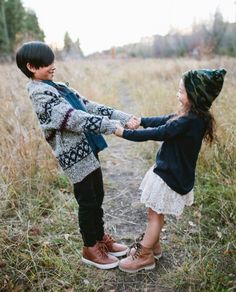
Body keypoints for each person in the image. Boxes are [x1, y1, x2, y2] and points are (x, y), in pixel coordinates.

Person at [16, 41, 139, 270]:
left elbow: (88, 106)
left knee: (98, 195)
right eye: (46, 63)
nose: (53, 66)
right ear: (31, 67)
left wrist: (123, 117)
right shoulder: (40, 93)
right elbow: (74, 118)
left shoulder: (59, 86)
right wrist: (114, 127)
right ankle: (90, 248)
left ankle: (101, 238)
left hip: (88, 148)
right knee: (87, 201)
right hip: (73, 155)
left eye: (52, 61)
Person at [115, 68, 227, 273]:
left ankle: (145, 255)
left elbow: (160, 132)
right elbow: (163, 120)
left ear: (195, 96)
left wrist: (125, 133)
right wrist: (141, 121)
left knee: (154, 216)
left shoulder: (188, 121)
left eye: (181, 91)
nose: (178, 94)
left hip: (169, 176)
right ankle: (154, 247)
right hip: (172, 173)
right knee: (156, 214)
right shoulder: (195, 116)